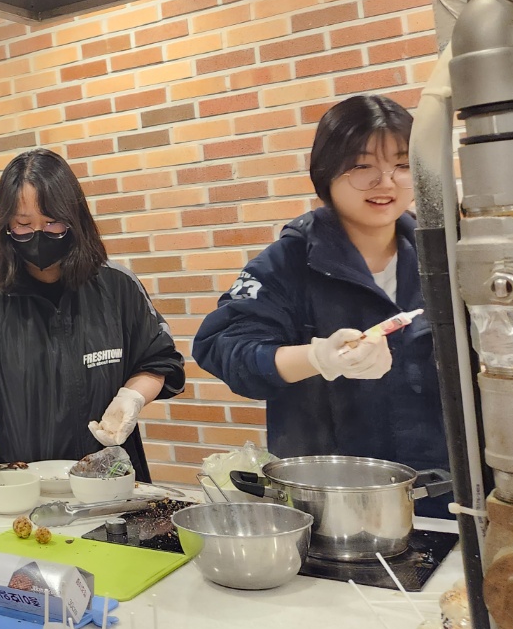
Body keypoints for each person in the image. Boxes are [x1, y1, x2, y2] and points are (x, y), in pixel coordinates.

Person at [192, 95, 450, 515]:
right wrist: (317, 357)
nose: (386, 182)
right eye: (362, 166)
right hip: (329, 499)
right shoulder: (289, 261)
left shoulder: (443, 255)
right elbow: (223, 348)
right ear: (327, 172)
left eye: (402, 165)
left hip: (441, 493)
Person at [0, 149, 184, 477]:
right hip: (19, 481)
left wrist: (133, 397)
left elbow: (158, 360)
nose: (39, 236)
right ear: (6, 225)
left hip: (110, 480)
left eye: (53, 223)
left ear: (75, 219)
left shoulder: (117, 286)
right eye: (24, 225)